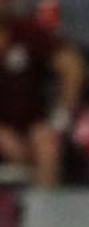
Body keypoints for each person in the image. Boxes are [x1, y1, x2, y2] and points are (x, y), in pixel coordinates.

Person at [0, 0, 84, 186]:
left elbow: (71, 66)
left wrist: (61, 114)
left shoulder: (28, 32)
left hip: (32, 124)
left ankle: (42, 210)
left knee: (46, 143)